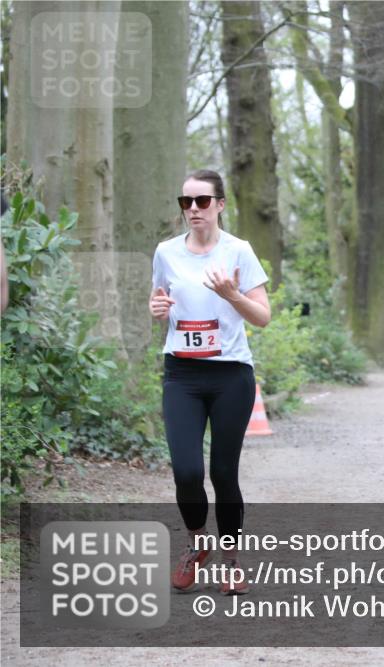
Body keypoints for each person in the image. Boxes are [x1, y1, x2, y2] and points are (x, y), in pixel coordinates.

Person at [150, 169, 270, 595]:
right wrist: (158, 309)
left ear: (220, 204)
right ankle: (198, 543)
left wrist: (232, 296)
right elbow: (159, 302)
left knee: (223, 472)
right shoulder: (166, 252)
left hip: (230, 374)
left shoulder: (239, 251)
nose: (194, 210)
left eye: (202, 201)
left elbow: (263, 316)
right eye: (186, 202)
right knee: (186, 470)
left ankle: (232, 559)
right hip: (181, 373)